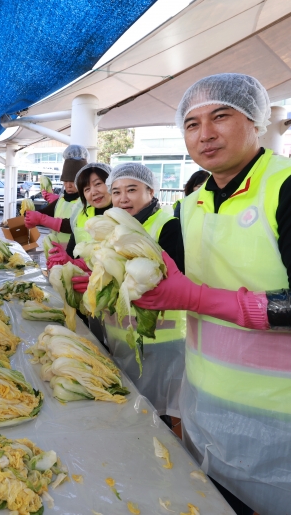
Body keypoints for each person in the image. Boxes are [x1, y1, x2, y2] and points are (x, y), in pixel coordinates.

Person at [134, 73, 291, 515]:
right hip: (210, 399)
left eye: (220, 116)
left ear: (255, 120)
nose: (205, 133)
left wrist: (196, 298)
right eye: (191, 124)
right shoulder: (191, 204)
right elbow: (181, 279)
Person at [89, 163, 185, 423]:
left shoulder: (168, 225)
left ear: (151, 191)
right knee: (129, 411)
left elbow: (170, 280)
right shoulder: (114, 226)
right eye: (117, 192)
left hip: (160, 339)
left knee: (157, 417)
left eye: (132, 190)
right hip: (123, 335)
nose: (123, 198)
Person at [46, 162, 112, 343]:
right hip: (85, 291)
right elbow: (74, 252)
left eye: (98, 184)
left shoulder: (123, 213)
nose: (94, 192)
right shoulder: (82, 213)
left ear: (111, 183)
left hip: (113, 296)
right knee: (93, 339)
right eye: (87, 188)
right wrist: (66, 259)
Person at [23, 145, 88, 261]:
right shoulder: (61, 199)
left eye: (73, 181)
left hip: (77, 256)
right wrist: (29, 216)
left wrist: (42, 219)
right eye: (66, 181)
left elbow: (73, 225)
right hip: (56, 253)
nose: (68, 185)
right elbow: (44, 213)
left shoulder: (86, 201)